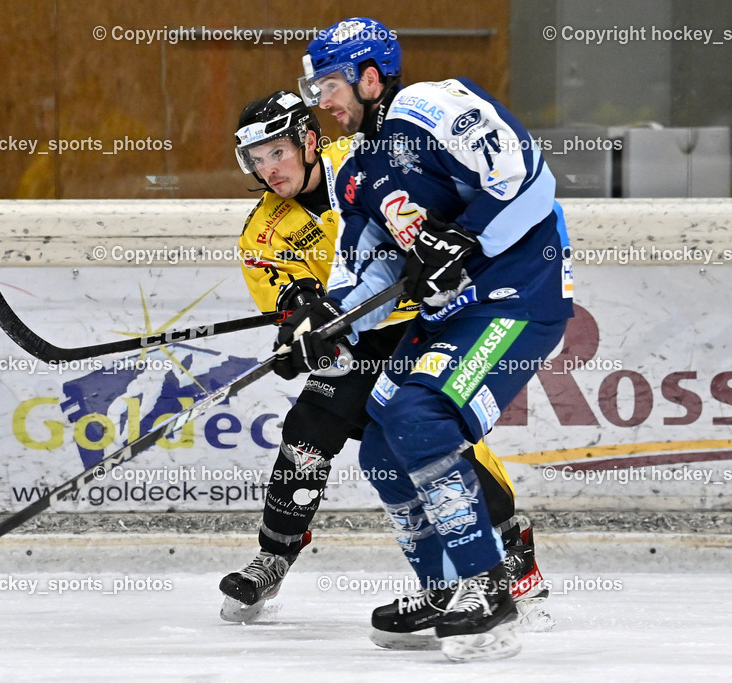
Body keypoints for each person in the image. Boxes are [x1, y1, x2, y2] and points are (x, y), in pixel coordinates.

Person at [273, 18, 574, 662]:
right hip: (451, 315)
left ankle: (487, 584)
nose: (318, 101)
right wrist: (321, 325)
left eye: (327, 84)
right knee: (381, 440)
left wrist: (469, 243)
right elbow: (367, 273)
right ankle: (444, 589)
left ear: (370, 77)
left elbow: (529, 179)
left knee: (418, 411)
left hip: (520, 295)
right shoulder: (356, 171)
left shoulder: (432, 107)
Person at [221, 90, 551, 645]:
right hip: (356, 337)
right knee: (307, 431)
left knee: (427, 432)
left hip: (426, 322)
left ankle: (510, 551)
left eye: (276, 152)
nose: (268, 169)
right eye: (256, 160)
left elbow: (444, 198)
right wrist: (300, 316)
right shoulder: (263, 232)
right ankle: (273, 555)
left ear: (307, 138)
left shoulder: (366, 156)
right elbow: (288, 307)